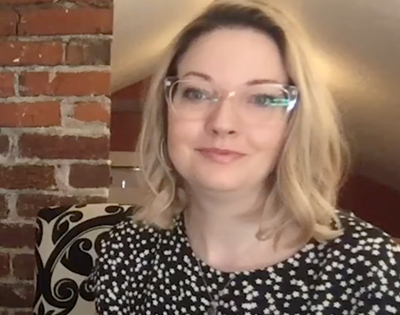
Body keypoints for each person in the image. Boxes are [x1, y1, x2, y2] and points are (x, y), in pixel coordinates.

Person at [87, 0, 400, 313]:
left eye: (262, 99)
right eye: (196, 93)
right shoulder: (126, 250)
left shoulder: (366, 266)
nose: (223, 123)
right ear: (165, 110)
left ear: (295, 122)